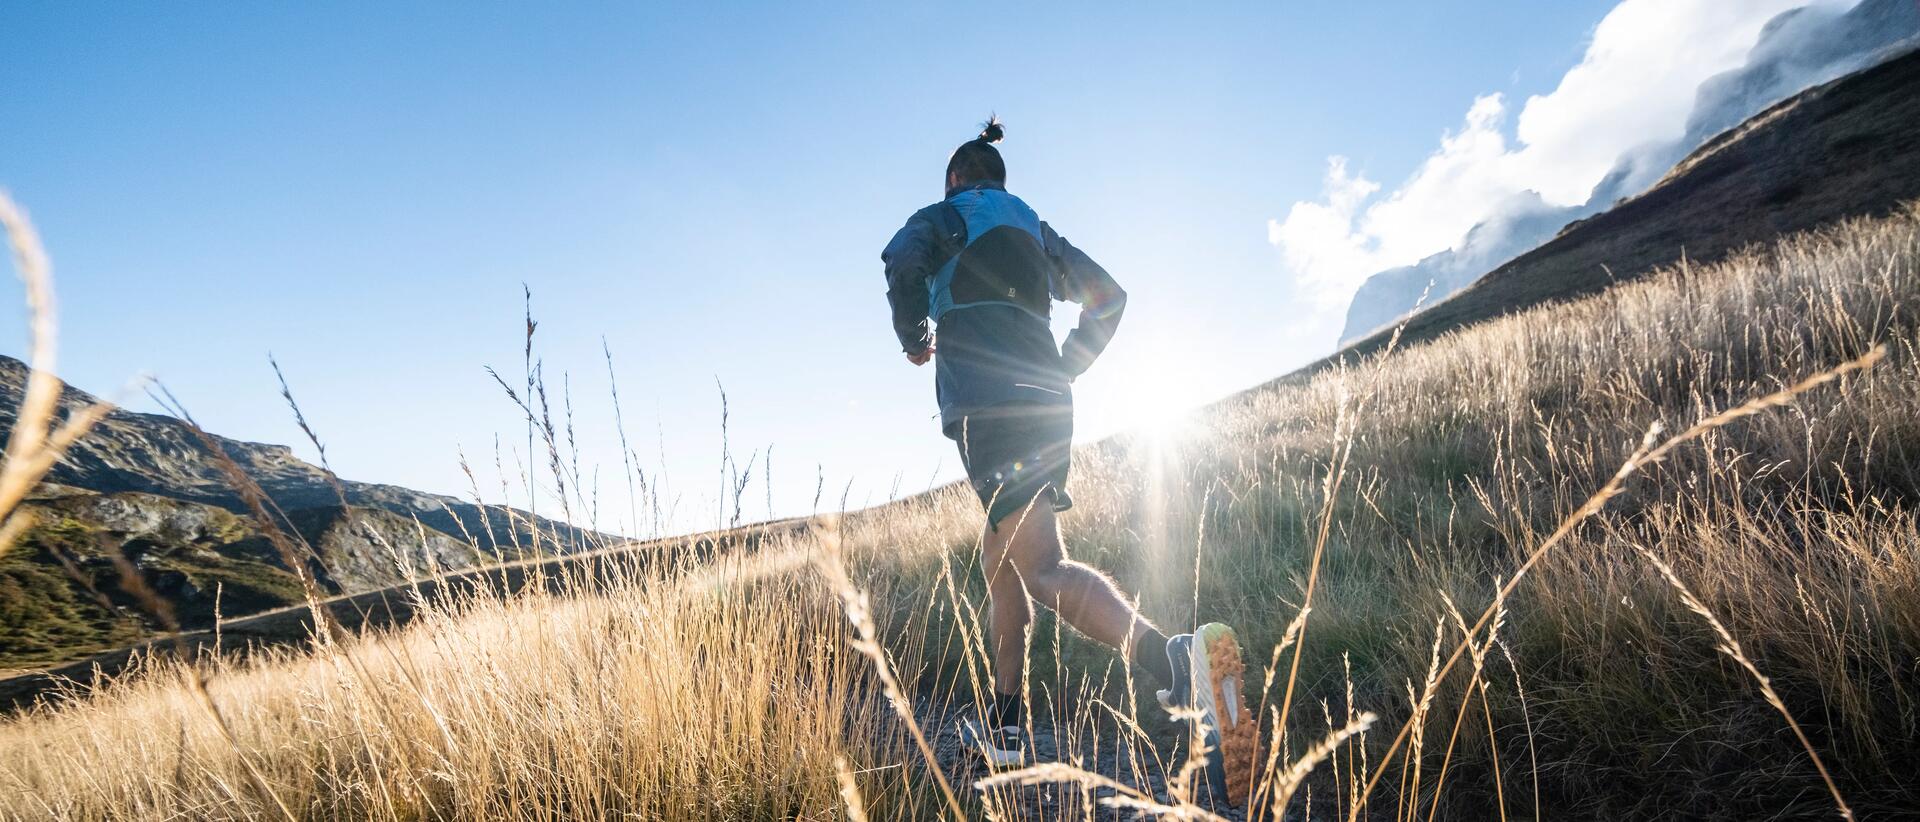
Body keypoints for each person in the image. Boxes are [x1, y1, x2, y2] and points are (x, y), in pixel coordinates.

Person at [879, 117, 1243, 783]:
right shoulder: (1035, 232)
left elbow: (903, 262)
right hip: (1046, 405)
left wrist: (912, 336)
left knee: (1042, 568)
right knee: (1002, 562)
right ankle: (1007, 727)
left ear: (958, 178)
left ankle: (1175, 660)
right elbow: (1110, 297)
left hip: (988, 407)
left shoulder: (947, 215)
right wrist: (1067, 365)